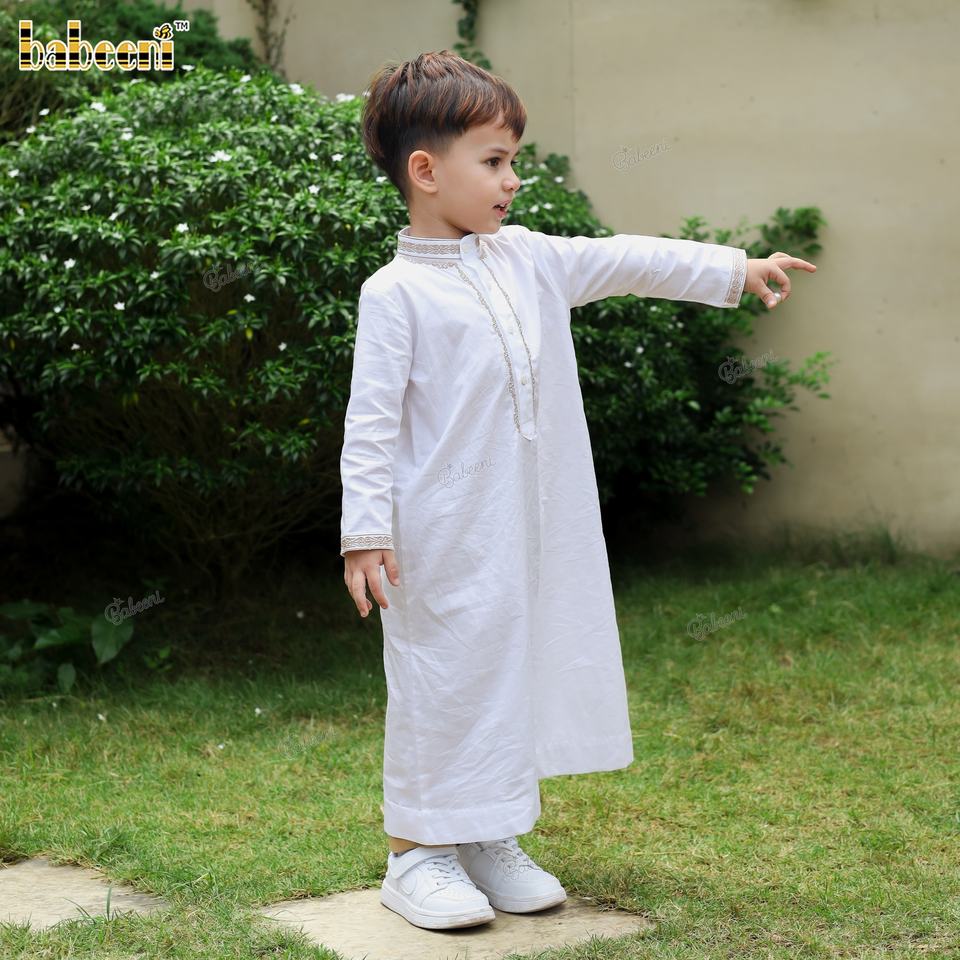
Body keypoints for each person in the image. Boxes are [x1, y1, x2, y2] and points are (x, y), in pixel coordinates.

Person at [339, 50, 817, 931]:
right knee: (443, 681)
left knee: (511, 675)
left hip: (522, 528)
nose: (513, 180)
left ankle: (490, 835)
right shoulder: (394, 293)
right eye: (494, 161)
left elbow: (628, 258)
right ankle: (415, 855)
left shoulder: (530, 260)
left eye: (513, 160)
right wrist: (364, 533)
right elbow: (369, 426)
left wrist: (733, 269)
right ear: (425, 171)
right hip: (435, 539)